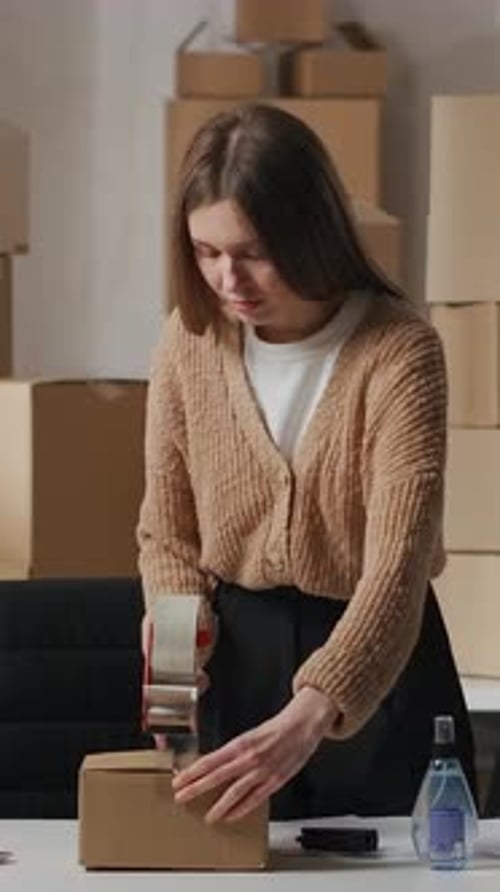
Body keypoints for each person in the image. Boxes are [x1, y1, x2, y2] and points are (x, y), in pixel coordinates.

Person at [137, 103, 475, 825]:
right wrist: (173, 658)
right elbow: (168, 532)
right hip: (237, 661)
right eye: (206, 251)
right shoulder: (189, 341)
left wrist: (315, 709)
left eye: (254, 251)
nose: (229, 278)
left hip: (378, 667)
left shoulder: (399, 352)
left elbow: (397, 569)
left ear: (311, 232)